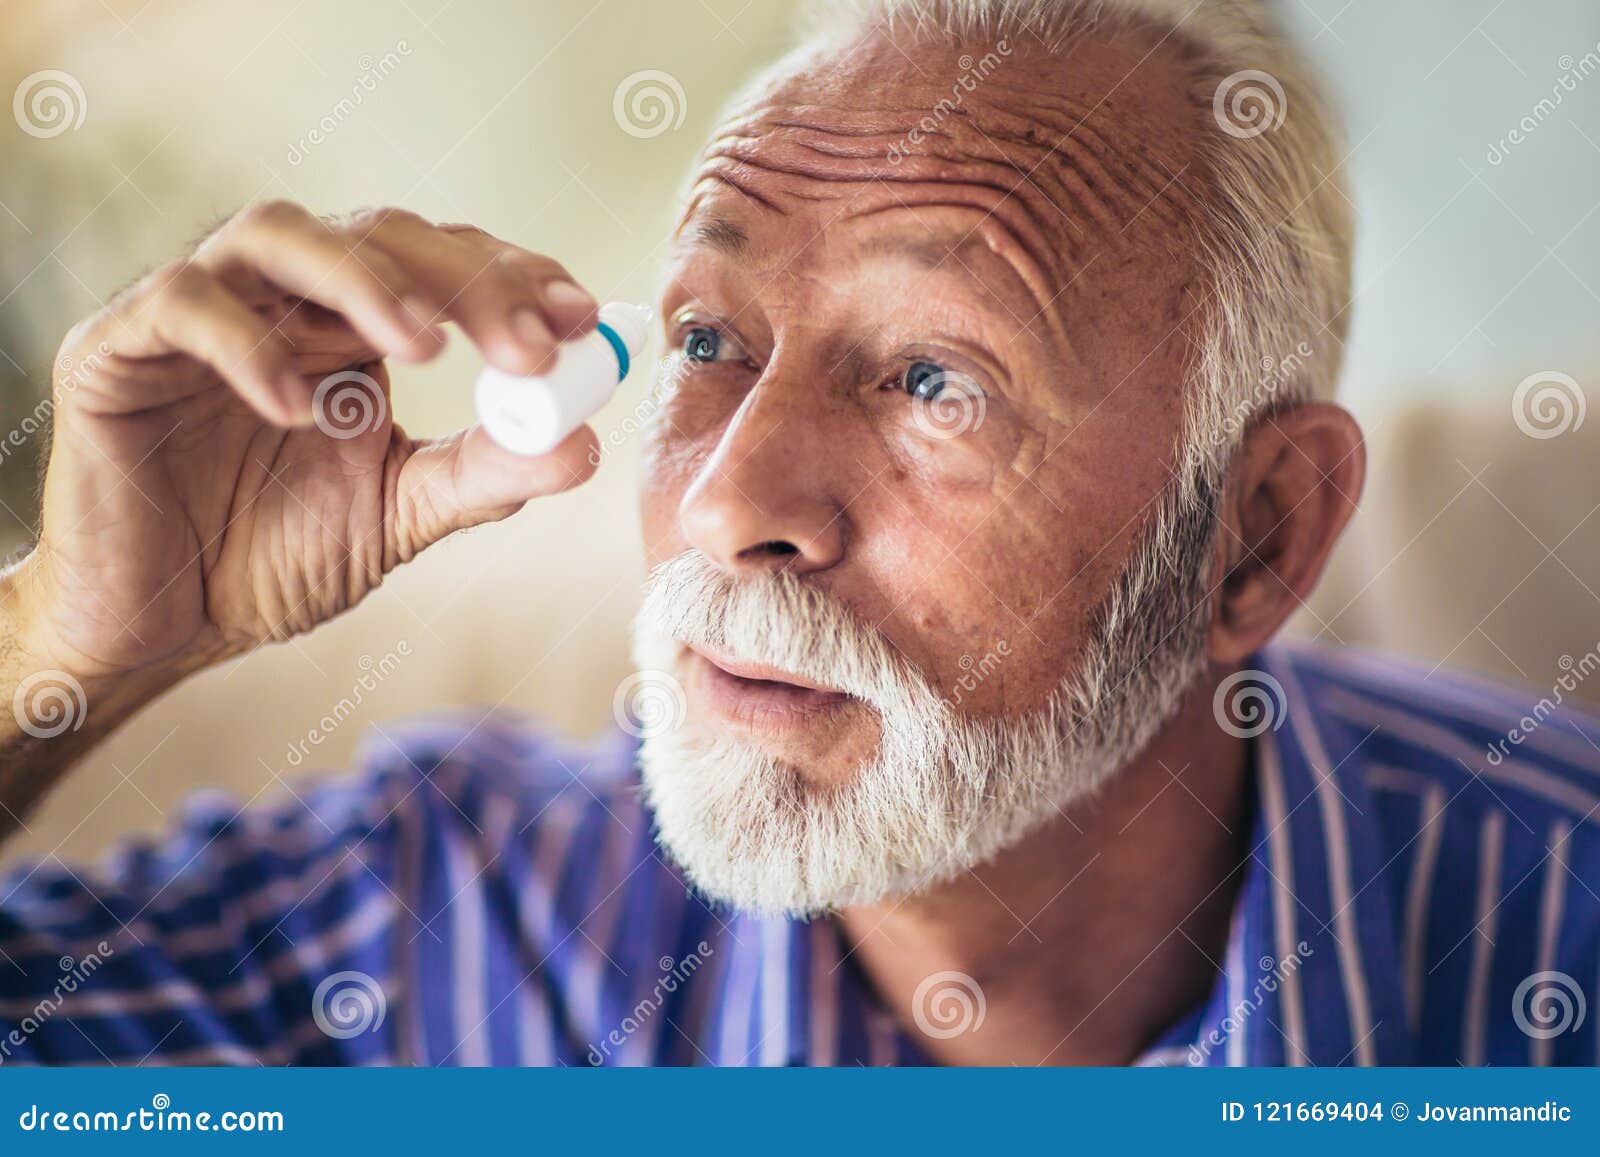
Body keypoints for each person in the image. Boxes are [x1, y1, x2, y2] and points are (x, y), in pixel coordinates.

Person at [2, 0, 1596, 1067]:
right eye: (709, 340)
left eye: (929, 379)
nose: (727, 500)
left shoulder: (1553, 935)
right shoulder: (437, 920)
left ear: (1256, 536)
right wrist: (68, 639)